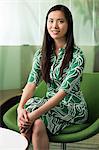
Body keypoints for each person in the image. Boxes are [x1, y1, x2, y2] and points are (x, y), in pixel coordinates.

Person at [17, 4, 88, 150]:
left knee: (33, 109)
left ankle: (20, 143)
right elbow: (31, 84)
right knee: (36, 123)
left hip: (72, 109)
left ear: (69, 25)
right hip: (47, 107)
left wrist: (31, 114)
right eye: (50, 21)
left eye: (60, 21)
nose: (54, 25)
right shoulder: (41, 55)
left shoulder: (77, 56)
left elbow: (62, 94)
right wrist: (20, 109)